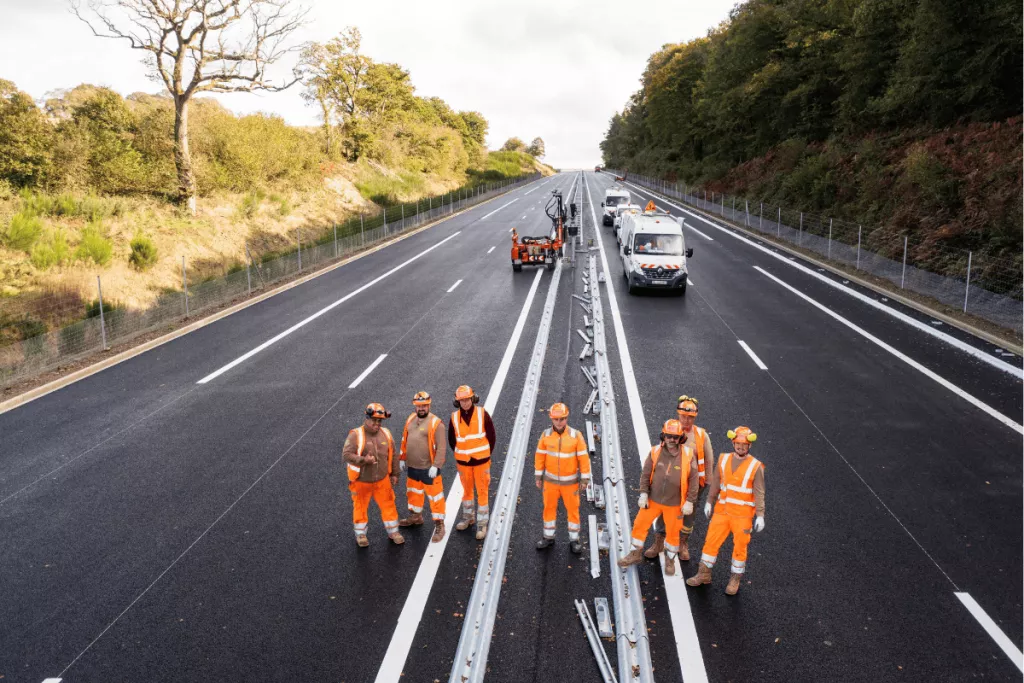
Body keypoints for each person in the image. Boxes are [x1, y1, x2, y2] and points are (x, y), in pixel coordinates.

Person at [686, 426, 765, 595]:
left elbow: (759, 492)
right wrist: (709, 501)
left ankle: (735, 579)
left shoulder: (756, 466)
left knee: (740, 547)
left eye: (744, 445)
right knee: (711, 541)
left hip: (742, 515)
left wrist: (760, 515)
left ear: (749, 445)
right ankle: (704, 574)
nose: (740, 447)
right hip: (722, 511)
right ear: (733, 443)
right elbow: (716, 482)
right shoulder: (723, 459)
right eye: (738, 444)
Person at [618, 420, 698, 576]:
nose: (672, 439)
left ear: (681, 438)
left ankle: (670, 560)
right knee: (639, 525)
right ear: (663, 436)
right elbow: (646, 474)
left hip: (674, 504)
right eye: (669, 436)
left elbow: (694, 481)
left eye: (675, 437)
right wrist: (643, 493)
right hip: (652, 500)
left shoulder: (688, 455)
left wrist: (690, 501)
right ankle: (635, 554)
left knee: (673, 534)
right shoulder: (655, 451)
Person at [644, 395, 714, 562]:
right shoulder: (671, 431)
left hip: (692, 484)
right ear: (678, 415)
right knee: (664, 509)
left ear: (694, 417)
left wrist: (707, 482)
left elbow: (709, 459)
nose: (686, 420)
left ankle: (683, 543)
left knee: (688, 513)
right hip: (671, 482)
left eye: (690, 417)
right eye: (684, 416)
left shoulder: (701, 435)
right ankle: (659, 542)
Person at [342, 403, 403, 547]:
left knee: (389, 505)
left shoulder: (386, 434)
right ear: (367, 418)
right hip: (361, 481)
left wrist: (395, 474)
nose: (377, 424)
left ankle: (393, 532)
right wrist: (364, 460)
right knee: (360, 507)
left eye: (379, 421)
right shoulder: (355, 435)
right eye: (374, 420)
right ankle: (361, 534)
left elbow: (393, 455)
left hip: (382, 480)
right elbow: (346, 455)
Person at [534, 403, 591, 554]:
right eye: (556, 419)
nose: (559, 422)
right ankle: (548, 537)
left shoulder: (576, 436)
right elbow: (539, 457)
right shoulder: (545, 435)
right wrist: (538, 476)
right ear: (551, 419)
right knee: (549, 509)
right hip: (550, 482)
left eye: (562, 419)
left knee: (573, 510)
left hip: (570, 483)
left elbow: (584, 459)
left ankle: (574, 540)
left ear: (567, 418)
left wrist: (585, 479)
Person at [398, 391, 448, 543]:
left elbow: (442, 448)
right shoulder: (410, 419)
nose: (421, 408)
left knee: (435, 497)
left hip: (429, 469)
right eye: (419, 406)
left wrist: (436, 465)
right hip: (412, 467)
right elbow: (404, 440)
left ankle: (440, 525)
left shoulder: (436, 423)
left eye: (424, 405)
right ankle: (416, 516)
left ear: (429, 405)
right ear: (415, 406)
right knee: (413, 493)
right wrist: (402, 457)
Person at [448, 385, 496, 540]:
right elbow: (452, 440)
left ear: (473, 398)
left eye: (467, 399)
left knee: (482, 491)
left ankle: (482, 523)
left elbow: (491, 436)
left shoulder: (482, 414)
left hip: (481, 462)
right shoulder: (454, 417)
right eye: (462, 400)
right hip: (464, 463)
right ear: (457, 402)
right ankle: (468, 518)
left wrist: (484, 455)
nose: (465, 403)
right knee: (467, 491)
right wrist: (462, 453)